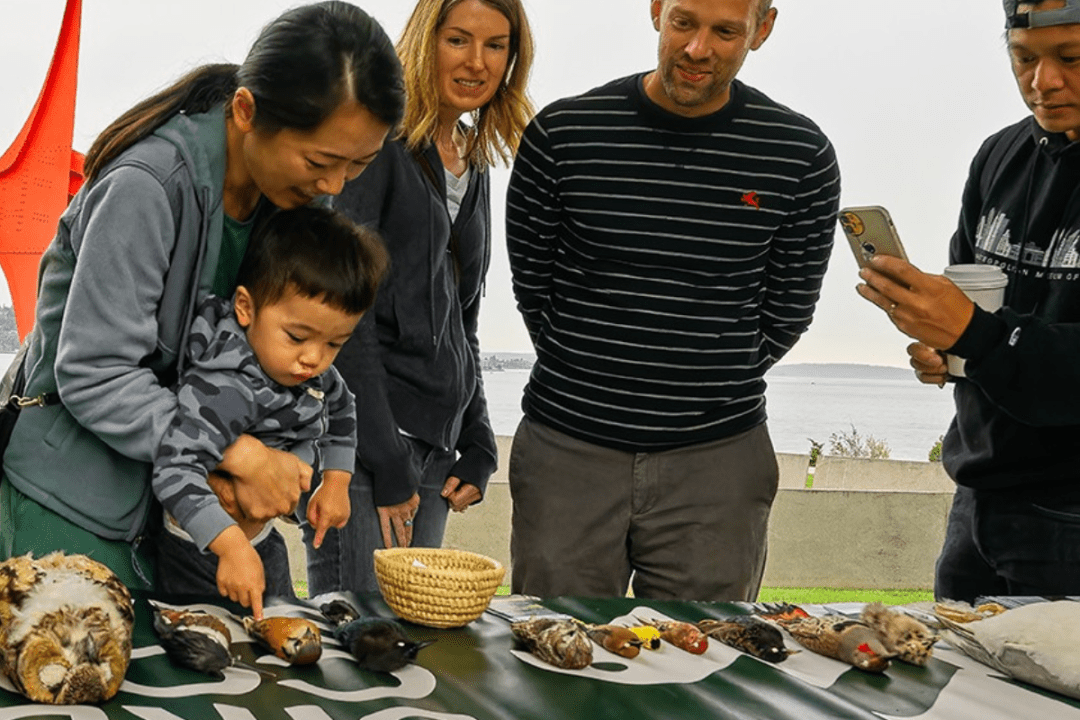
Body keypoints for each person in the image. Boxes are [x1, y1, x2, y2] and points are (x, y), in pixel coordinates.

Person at [0, 1, 405, 592]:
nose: (333, 186)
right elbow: (95, 372)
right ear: (246, 111)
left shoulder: (294, 200)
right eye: (321, 161)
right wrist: (241, 456)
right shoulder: (147, 188)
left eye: (358, 165)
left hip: (187, 511)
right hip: (76, 504)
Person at [506, 0, 841, 601]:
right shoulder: (563, 134)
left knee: (709, 669)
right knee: (552, 663)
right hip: (568, 450)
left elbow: (788, 309)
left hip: (718, 459)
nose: (696, 49)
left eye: (725, 31)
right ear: (656, 10)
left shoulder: (801, 153)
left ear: (761, 30)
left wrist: (703, 382)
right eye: (684, 22)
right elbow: (535, 289)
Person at [857, 0, 1080, 603]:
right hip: (976, 496)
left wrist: (976, 338)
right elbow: (977, 310)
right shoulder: (999, 154)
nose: (1043, 82)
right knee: (949, 689)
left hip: (1070, 517)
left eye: (1071, 57)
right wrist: (947, 349)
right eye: (1023, 58)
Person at [323, 0, 534, 594]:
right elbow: (344, 312)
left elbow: (463, 317)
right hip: (368, 446)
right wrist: (384, 457)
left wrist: (479, 435)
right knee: (362, 635)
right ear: (424, 43)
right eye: (459, 40)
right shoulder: (378, 143)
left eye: (496, 45)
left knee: (415, 637)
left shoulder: (476, 160)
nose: (476, 62)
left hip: (438, 447)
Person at [153, 207, 387, 618]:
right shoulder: (224, 387)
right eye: (297, 337)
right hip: (199, 552)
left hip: (262, 543)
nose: (313, 358)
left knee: (279, 641)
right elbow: (174, 468)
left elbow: (343, 405)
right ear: (245, 308)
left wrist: (335, 481)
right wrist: (230, 546)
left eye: (334, 344)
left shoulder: (313, 373)